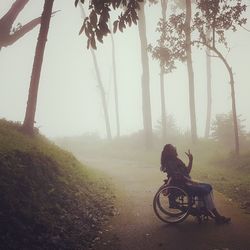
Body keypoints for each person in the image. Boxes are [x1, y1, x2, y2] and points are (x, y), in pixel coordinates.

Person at [161, 144, 231, 224]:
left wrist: (191, 160)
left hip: (186, 182)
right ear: (170, 152)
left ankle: (203, 209)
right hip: (183, 185)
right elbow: (177, 176)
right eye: (173, 149)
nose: (175, 149)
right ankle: (216, 215)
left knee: (208, 186)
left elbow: (187, 171)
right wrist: (190, 181)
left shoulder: (177, 160)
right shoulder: (170, 162)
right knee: (204, 189)